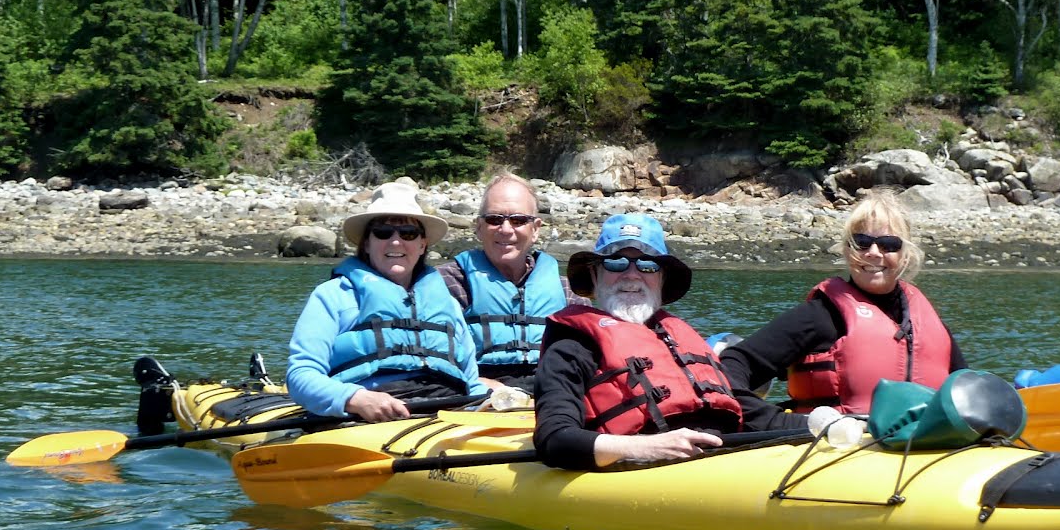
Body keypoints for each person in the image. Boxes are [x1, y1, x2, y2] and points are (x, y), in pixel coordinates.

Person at [719, 190, 965, 430]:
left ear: (905, 256)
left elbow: (967, 393)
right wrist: (773, 421)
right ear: (847, 251)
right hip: (836, 448)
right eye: (862, 243)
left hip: (923, 451)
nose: (873, 253)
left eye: (889, 244)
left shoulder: (931, 325)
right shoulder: (820, 316)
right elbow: (733, 364)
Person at [534, 213, 743, 470]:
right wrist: (650, 447)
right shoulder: (571, 346)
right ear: (594, 274)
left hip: (727, 457)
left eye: (648, 265)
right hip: (645, 470)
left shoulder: (674, 336)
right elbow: (554, 440)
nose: (632, 275)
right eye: (616, 263)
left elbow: (751, 412)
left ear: (662, 277)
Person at [287, 181, 483, 422]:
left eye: (408, 233)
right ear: (367, 244)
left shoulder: (448, 305)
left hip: (447, 412)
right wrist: (356, 398)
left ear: (422, 245)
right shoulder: (333, 295)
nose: (396, 241)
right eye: (383, 232)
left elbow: (472, 383)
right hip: (368, 418)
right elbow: (300, 375)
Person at [436, 173, 575, 393]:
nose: (506, 229)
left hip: (551, 394)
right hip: (477, 394)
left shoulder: (568, 291)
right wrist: (480, 385)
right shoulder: (448, 283)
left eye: (518, 220)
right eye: (494, 219)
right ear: (479, 227)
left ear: (536, 229)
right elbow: (432, 356)